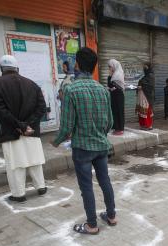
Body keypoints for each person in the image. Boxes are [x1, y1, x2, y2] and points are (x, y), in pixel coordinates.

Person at [52, 47, 116, 235]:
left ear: (77, 65)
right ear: (94, 67)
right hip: (101, 145)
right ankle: (111, 215)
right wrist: (100, 135)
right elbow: (110, 122)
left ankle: (91, 225)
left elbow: (66, 126)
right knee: (105, 181)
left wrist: (56, 141)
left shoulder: (71, 89)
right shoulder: (103, 90)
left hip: (82, 148)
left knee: (86, 186)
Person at [0, 55, 47, 203]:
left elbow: (0, 110)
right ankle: (41, 187)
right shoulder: (32, 84)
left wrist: (19, 125)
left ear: (2, 69)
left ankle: (19, 194)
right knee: (35, 160)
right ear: (17, 68)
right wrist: (28, 124)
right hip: (31, 131)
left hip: (11, 131)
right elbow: (42, 108)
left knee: (15, 164)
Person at [108, 59, 125, 135]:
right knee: (114, 110)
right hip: (114, 95)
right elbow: (109, 85)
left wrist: (110, 76)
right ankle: (116, 127)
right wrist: (110, 76)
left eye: (110, 66)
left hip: (119, 96)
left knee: (119, 111)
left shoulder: (118, 74)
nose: (109, 68)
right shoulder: (113, 75)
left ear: (114, 66)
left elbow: (112, 85)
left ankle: (120, 128)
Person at [136, 63, 155, 130]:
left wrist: (142, 86)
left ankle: (148, 125)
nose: (144, 69)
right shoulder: (145, 76)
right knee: (142, 111)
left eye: (146, 67)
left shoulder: (151, 76)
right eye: (144, 67)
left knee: (147, 111)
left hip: (147, 97)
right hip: (142, 97)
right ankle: (143, 124)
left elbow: (150, 86)